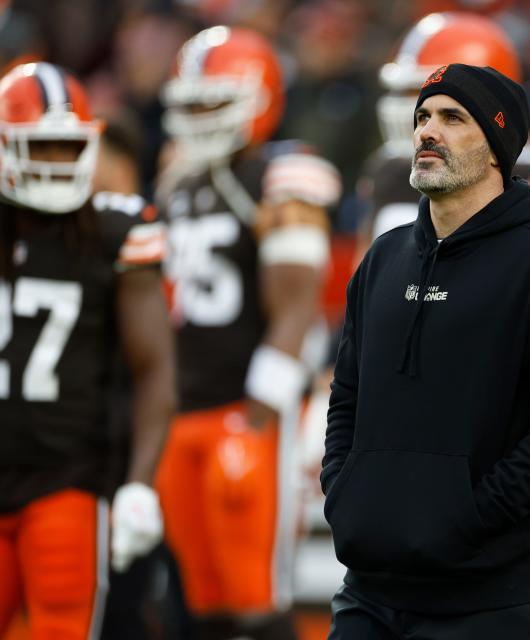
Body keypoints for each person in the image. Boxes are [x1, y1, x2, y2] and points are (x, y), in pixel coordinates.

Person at [322, 63, 530, 639]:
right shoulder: (382, 257)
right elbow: (347, 393)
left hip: (487, 598)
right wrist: (345, 490)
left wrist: (472, 517)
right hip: (368, 589)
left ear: (495, 148)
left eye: (453, 117)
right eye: (423, 117)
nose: (427, 131)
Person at [153, 26, 341, 640]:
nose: (200, 115)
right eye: (193, 101)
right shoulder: (178, 181)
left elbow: (296, 308)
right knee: (201, 596)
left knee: (253, 590)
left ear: (258, 99)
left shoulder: (280, 179)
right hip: (185, 408)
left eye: (215, 100)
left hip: (247, 407)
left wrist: (253, 420)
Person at [0, 62, 175, 639]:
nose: (53, 162)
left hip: (67, 477)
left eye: (65, 146)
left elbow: (153, 366)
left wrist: (140, 483)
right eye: (38, 146)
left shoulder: (113, 230)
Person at [360, 11, 530, 258]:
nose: (413, 107)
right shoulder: (389, 170)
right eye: (403, 92)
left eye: (420, 92)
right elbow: (366, 282)